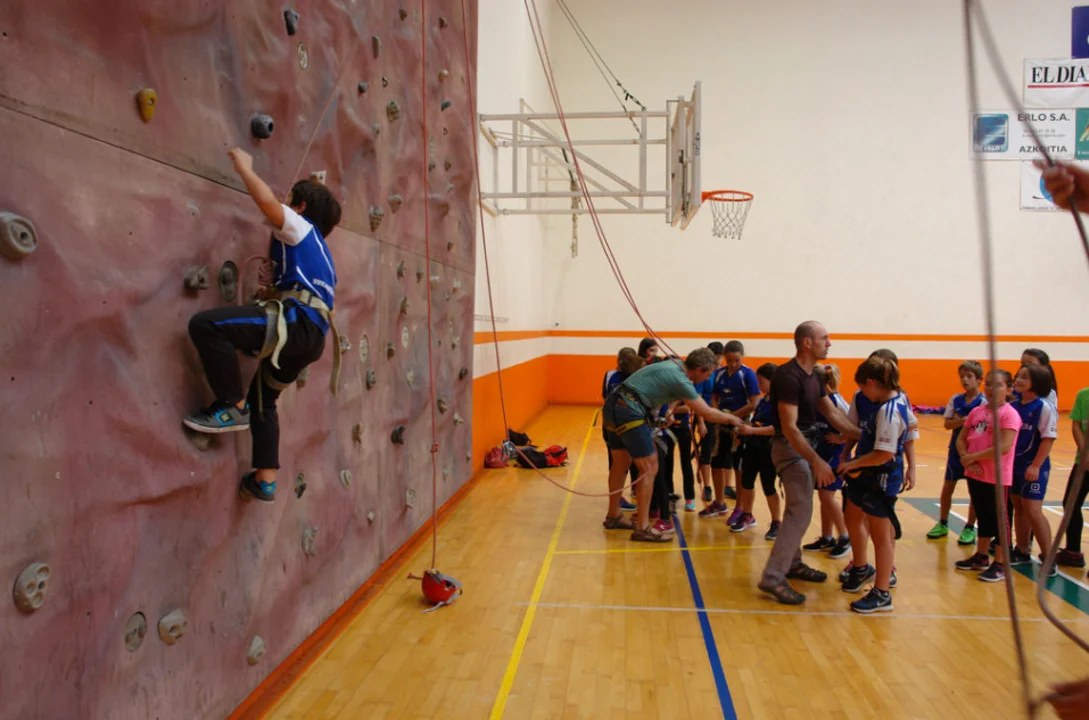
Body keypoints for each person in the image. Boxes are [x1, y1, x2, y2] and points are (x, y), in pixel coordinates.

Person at [185, 149, 341, 503]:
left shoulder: (300, 227)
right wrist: (273, 292)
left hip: (295, 323)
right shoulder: (323, 256)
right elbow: (307, 289)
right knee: (264, 399)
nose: (284, 204)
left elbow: (268, 204)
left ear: (300, 207)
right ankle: (264, 479)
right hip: (312, 337)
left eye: (290, 200)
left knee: (207, 326)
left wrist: (245, 169)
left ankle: (231, 405)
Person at [752, 321, 858, 605]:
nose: (829, 343)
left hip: (806, 447)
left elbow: (832, 413)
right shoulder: (788, 376)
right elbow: (789, 427)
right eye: (825, 338)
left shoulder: (816, 375)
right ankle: (773, 577)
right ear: (807, 343)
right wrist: (817, 461)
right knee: (800, 511)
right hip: (790, 449)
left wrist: (862, 435)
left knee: (796, 508)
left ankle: (793, 563)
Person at [601, 349, 743, 542]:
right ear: (700, 369)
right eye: (708, 374)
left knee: (620, 464)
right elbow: (707, 413)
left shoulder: (673, 365)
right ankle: (642, 528)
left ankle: (613, 515)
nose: (708, 378)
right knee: (649, 468)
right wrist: (733, 419)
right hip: (630, 410)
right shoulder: (681, 380)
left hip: (613, 405)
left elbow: (657, 389)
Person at [837, 356, 915, 613]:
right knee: (852, 515)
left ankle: (882, 592)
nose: (862, 393)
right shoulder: (889, 403)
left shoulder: (889, 411)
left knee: (881, 536)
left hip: (881, 477)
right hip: (866, 473)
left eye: (863, 387)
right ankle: (861, 568)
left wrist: (853, 464)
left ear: (870, 383)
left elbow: (884, 453)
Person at [954, 369, 1020, 582]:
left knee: (1001, 520)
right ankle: (981, 556)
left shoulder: (1009, 414)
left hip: (997, 477)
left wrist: (972, 458)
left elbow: (1004, 446)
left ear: (1008, 389)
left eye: (998, 385)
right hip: (975, 474)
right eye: (989, 384)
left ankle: (1000, 563)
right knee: (983, 516)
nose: (992, 389)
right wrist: (965, 457)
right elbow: (961, 438)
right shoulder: (977, 412)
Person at [702, 340, 761, 520]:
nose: (733, 364)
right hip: (722, 424)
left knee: (738, 466)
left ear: (742, 357)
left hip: (740, 425)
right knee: (716, 462)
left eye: (737, 360)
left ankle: (740, 507)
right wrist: (718, 413)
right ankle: (719, 502)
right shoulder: (719, 374)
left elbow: (754, 403)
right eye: (729, 360)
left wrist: (733, 416)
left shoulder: (748, 374)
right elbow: (713, 397)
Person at [928, 361, 985, 544]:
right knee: (948, 487)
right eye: (962, 377)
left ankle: (970, 527)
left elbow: (980, 426)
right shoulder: (956, 400)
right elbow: (947, 424)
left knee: (974, 491)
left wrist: (961, 420)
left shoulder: (984, 402)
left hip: (974, 451)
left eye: (969, 376)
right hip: (955, 449)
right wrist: (965, 420)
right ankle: (943, 523)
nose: (965, 380)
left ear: (979, 380)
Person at [1008, 364, 1058, 574]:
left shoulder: (1043, 407)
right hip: (1015, 465)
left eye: (1024, 377)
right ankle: (1022, 550)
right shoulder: (1013, 406)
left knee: (1033, 510)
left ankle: (1048, 557)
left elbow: (1048, 438)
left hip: (1034, 466)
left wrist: (1036, 465)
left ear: (1036, 383)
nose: (1018, 380)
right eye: (1018, 376)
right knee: (1019, 507)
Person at [802, 363, 851, 559]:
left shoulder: (837, 401)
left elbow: (854, 425)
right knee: (823, 497)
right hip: (821, 453)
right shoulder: (816, 400)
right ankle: (827, 537)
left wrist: (842, 437)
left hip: (835, 454)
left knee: (827, 496)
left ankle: (845, 536)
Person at [732, 362, 783, 539]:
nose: (759, 385)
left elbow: (778, 428)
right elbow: (756, 423)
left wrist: (753, 430)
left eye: (761, 382)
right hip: (752, 447)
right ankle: (747, 514)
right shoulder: (762, 401)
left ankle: (776, 522)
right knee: (747, 481)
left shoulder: (780, 403)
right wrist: (743, 430)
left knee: (768, 485)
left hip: (769, 449)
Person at [603, 348, 643, 511]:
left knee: (615, 464)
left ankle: (616, 500)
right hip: (627, 426)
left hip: (610, 424)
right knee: (629, 463)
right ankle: (626, 497)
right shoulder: (637, 377)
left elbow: (605, 398)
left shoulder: (609, 375)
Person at [1057, 384, 1089, 569]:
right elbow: (1076, 425)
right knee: (1070, 503)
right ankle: (1073, 552)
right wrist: (1085, 452)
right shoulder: (1083, 395)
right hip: (1082, 462)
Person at [693, 342, 725, 505]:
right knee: (706, 452)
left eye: (720, 357)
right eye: (715, 357)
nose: (718, 360)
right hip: (705, 415)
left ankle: (726, 485)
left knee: (721, 453)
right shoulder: (705, 373)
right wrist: (700, 422)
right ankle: (707, 486)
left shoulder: (722, 373)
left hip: (718, 415)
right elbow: (697, 398)